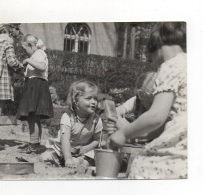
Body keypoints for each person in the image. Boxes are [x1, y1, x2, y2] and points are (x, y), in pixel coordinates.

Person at [108, 22, 187, 179]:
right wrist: (134, 133)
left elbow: (156, 115)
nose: (153, 63)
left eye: (150, 57)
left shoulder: (170, 65)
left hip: (180, 149)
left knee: (139, 165)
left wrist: (124, 132)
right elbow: (163, 124)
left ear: (157, 49)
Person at [40, 80, 103, 168]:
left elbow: (97, 140)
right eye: (88, 98)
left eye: (95, 98)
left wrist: (85, 149)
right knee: (45, 157)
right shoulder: (68, 117)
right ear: (75, 100)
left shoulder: (96, 120)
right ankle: (63, 159)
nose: (93, 102)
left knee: (91, 158)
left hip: (83, 150)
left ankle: (80, 161)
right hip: (64, 148)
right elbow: (65, 139)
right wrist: (68, 158)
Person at [16, 34, 53, 154]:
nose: (25, 53)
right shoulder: (37, 55)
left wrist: (28, 61)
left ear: (31, 45)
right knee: (34, 116)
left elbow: (42, 67)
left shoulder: (39, 53)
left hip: (36, 86)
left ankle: (33, 144)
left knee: (32, 115)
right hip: (34, 85)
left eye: (25, 49)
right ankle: (35, 143)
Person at [0, 24, 23, 151]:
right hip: (0, 81)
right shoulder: (7, 45)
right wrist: (21, 67)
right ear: (9, 34)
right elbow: (12, 62)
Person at [116, 71, 165, 144]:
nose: (144, 99)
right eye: (141, 94)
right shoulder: (137, 100)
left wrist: (126, 130)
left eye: (149, 94)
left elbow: (149, 132)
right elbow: (115, 112)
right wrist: (121, 123)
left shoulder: (164, 105)